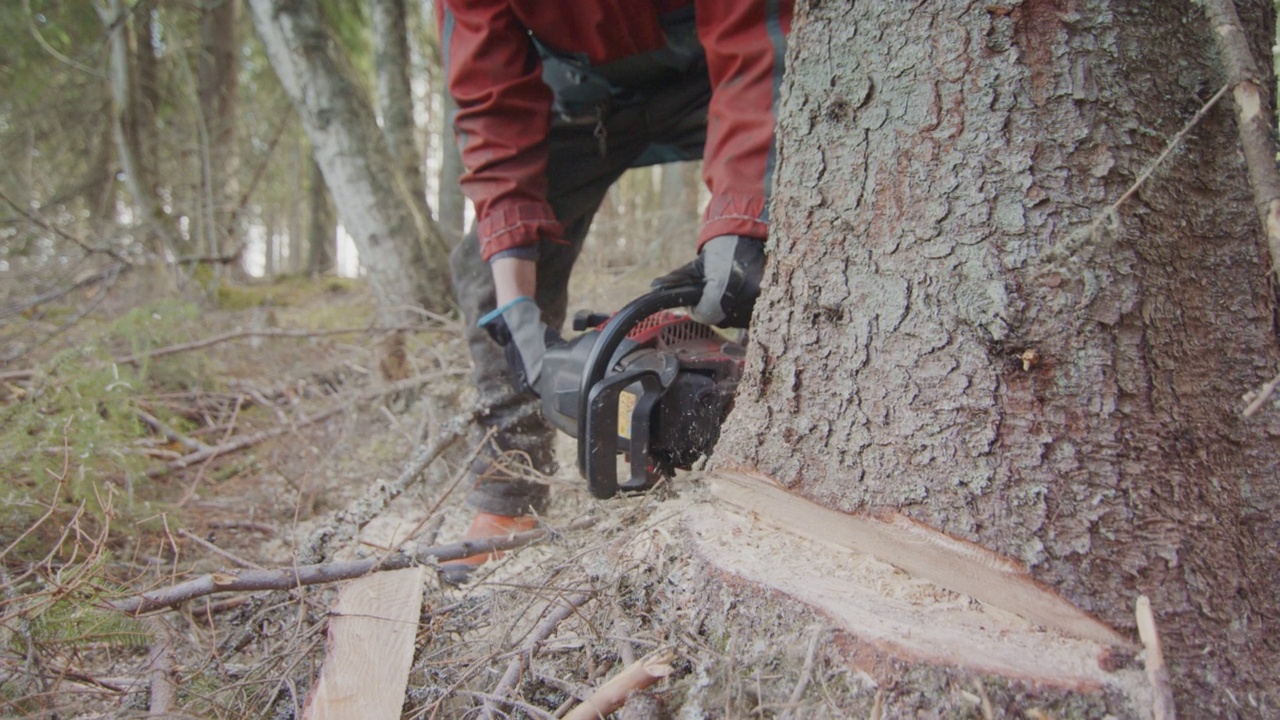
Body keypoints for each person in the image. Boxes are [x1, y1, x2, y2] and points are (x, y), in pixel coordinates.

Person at [435, 0, 793, 581]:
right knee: (486, 273)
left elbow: (759, 33)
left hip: (716, 72)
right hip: (574, 99)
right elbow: (490, 103)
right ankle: (509, 499)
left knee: (793, 201)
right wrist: (516, 305)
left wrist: (744, 221)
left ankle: (775, 458)